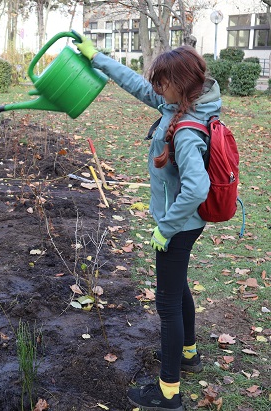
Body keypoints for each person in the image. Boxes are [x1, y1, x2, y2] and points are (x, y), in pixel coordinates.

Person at [76, 36, 216, 411]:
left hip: (180, 224)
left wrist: (165, 228)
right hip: (187, 222)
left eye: (161, 81)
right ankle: (188, 354)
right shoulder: (184, 104)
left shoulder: (185, 128)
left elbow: (197, 188)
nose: (154, 87)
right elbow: (136, 84)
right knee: (178, 285)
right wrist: (97, 58)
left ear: (180, 83)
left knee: (167, 306)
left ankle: (168, 392)